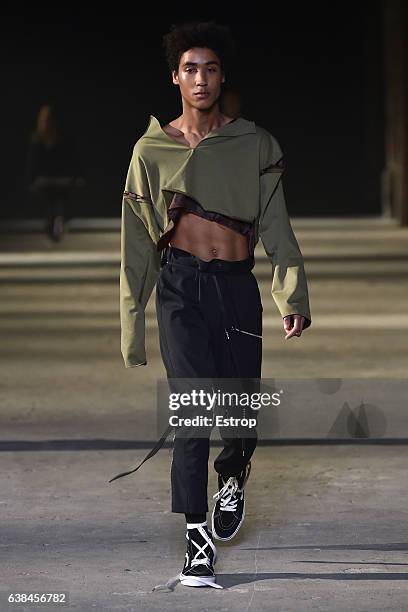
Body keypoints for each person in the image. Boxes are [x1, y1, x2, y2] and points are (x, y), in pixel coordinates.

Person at [109, 21, 312, 589]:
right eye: (190, 68)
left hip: (235, 287)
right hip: (180, 289)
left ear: (223, 77)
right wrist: (132, 326)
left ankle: (235, 472)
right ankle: (197, 543)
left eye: (211, 69)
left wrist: (290, 292)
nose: (201, 78)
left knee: (240, 413)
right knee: (194, 413)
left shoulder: (254, 143)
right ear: (174, 77)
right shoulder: (149, 150)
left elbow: (277, 224)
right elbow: (135, 245)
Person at [26, 104, 84, 242]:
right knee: (50, 201)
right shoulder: (37, 141)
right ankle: (53, 222)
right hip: (45, 181)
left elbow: (73, 161)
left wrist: (76, 177)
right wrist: (32, 180)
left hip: (62, 180)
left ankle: (60, 220)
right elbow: (32, 165)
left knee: (60, 199)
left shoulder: (64, 140)